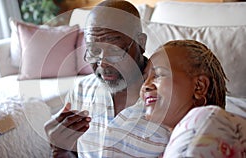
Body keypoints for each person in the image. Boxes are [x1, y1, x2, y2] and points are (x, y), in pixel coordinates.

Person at [43, 0, 165, 157]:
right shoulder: (81, 91)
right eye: (93, 50)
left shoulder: (169, 98)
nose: (103, 62)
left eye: (114, 50)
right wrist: (59, 149)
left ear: (141, 43)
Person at [139, 39, 227, 129]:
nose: (145, 86)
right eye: (145, 78)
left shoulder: (209, 135)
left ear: (199, 86)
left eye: (158, 75)